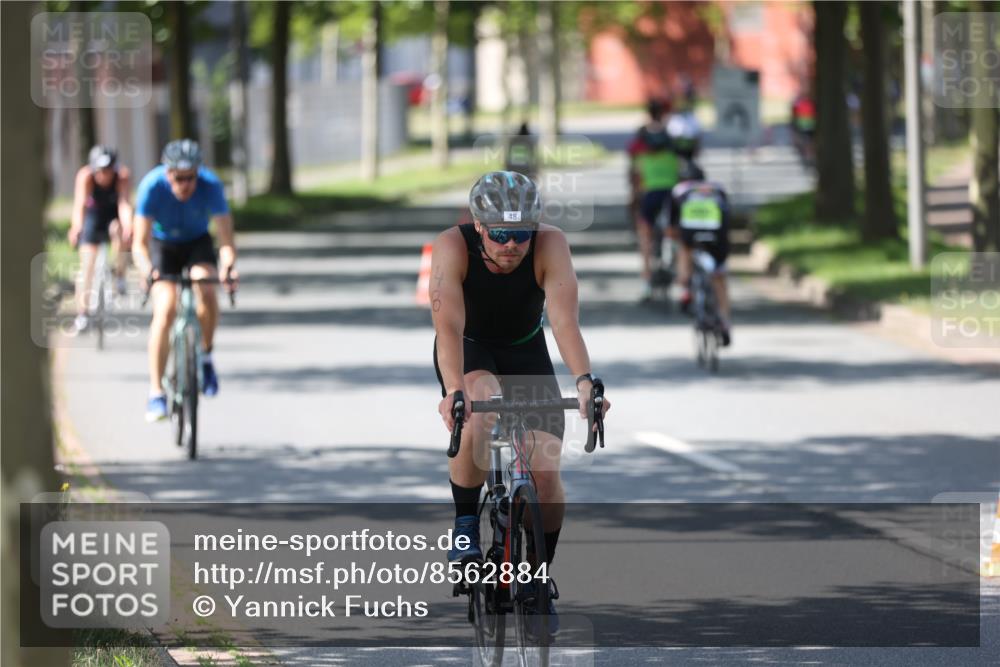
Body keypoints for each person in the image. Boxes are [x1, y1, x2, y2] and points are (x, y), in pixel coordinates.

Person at [431, 170, 611, 629]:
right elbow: (447, 327)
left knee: (546, 473)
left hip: (525, 348)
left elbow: (565, 323)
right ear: (478, 227)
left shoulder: (551, 245)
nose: (512, 245)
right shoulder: (452, 247)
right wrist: (453, 390)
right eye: (502, 234)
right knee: (478, 405)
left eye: (522, 234)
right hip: (469, 347)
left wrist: (585, 382)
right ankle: (467, 521)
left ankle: (538, 575)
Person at [132, 139, 238, 422]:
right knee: (165, 307)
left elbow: (226, 241)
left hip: (196, 243)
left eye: (190, 178)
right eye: (178, 179)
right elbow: (139, 243)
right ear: (167, 174)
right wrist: (145, 269)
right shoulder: (151, 187)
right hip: (162, 245)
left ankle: (206, 356)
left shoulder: (211, 186)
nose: (185, 185)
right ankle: (156, 393)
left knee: (207, 289)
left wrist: (228, 266)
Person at [68, 145, 134, 334]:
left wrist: (128, 226)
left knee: (119, 231)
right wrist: (76, 228)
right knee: (86, 264)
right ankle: (82, 314)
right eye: (100, 171)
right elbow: (79, 205)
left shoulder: (122, 176)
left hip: (113, 214)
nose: (104, 175)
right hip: (94, 215)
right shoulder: (85, 176)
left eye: (108, 170)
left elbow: (124, 204)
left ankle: (120, 274)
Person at [668, 162, 732, 346]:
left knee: (684, 249)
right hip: (717, 235)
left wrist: (672, 234)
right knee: (719, 278)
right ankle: (725, 322)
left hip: (691, 233)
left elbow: (671, 224)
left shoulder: (680, 190)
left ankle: (686, 288)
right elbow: (727, 214)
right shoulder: (718, 188)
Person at [627, 98, 682, 302]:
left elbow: (634, 173)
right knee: (673, 228)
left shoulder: (641, 141)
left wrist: (633, 194)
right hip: (672, 190)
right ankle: (671, 250)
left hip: (650, 191)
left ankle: (646, 283)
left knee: (645, 233)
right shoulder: (671, 138)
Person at [666, 80, 702, 162]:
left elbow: (697, 134)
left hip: (689, 149)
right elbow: (671, 135)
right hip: (678, 149)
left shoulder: (691, 117)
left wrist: (696, 146)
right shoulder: (674, 119)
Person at [789, 91, 817, 165]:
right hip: (804, 126)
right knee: (807, 143)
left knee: (807, 143)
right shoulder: (802, 103)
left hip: (807, 126)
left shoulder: (800, 103)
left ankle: (809, 156)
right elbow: (794, 114)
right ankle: (808, 157)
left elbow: (793, 114)